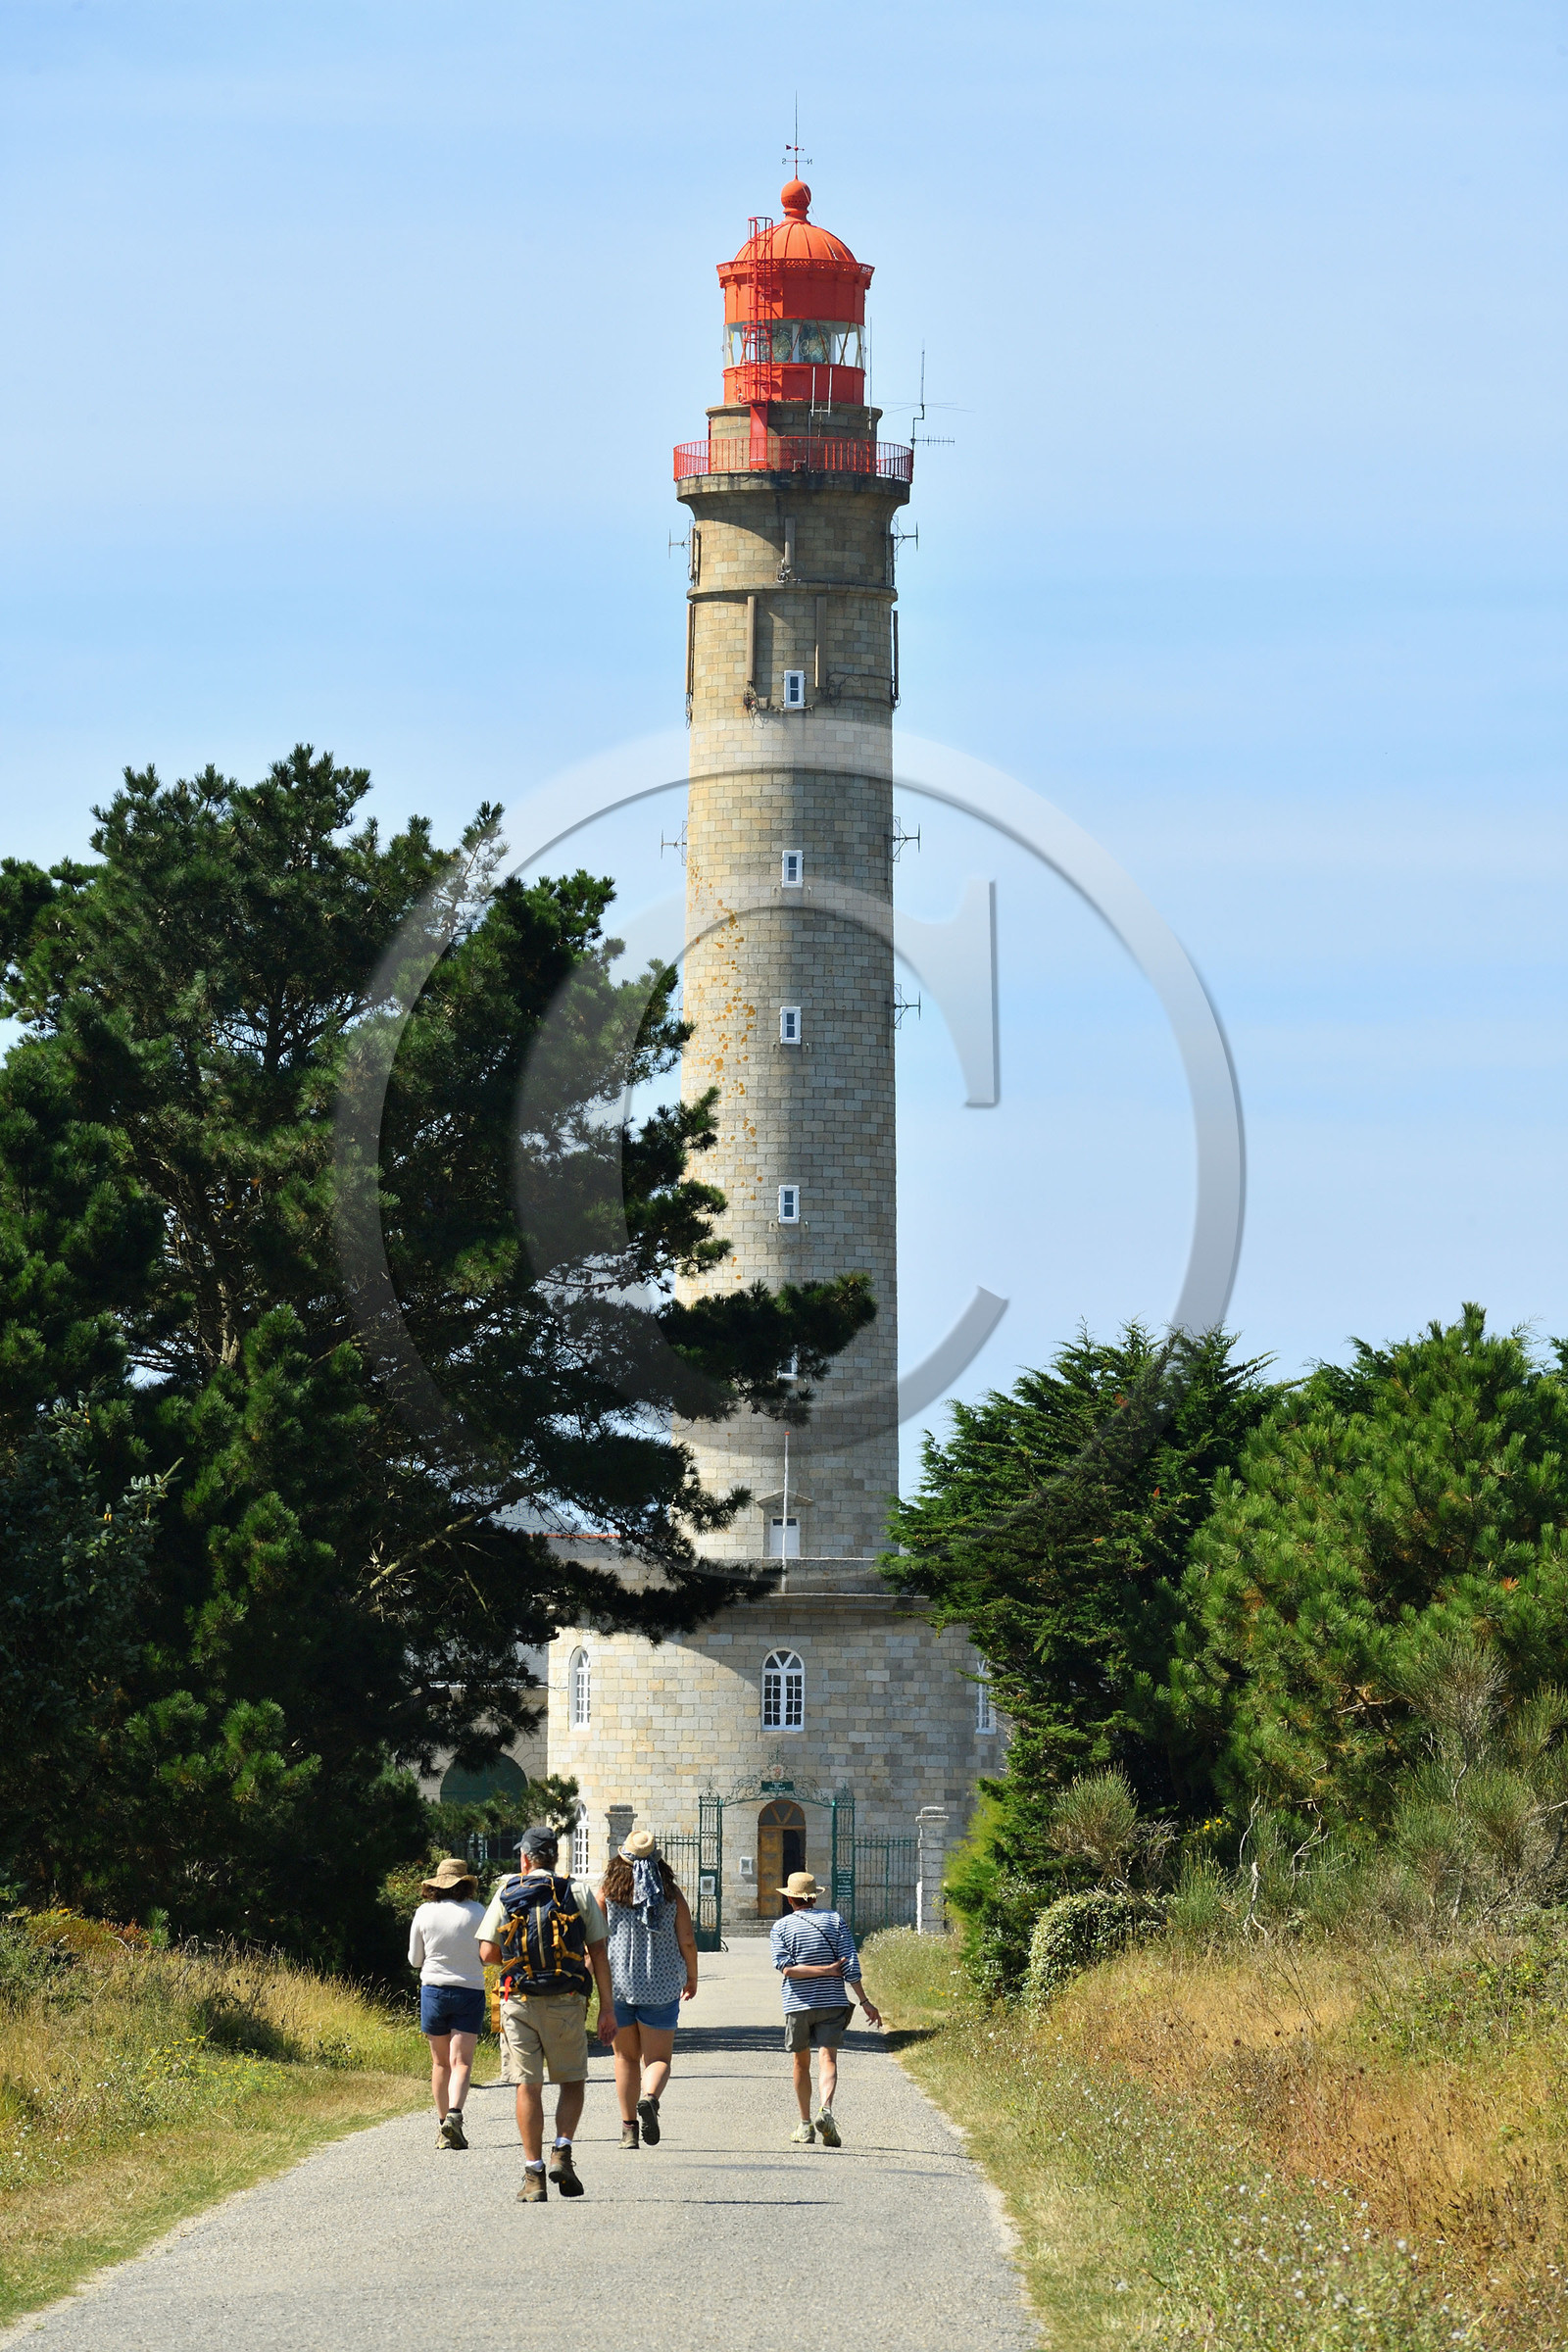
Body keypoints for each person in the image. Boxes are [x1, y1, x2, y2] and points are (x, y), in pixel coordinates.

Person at [476, 1822, 615, 2202]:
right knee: (571, 2081)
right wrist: (607, 2008)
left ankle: (533, 2175)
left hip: (518, 2001)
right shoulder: (577, 1891)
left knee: (528, 2085)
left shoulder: (507, 1892)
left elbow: (487, 1954)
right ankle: (562, 2150)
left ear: (524, 1858)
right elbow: (599, 1953)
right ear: (555, 1857)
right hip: (567, 2001)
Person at [599, 1830, 699, 2149]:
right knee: (658, 2059)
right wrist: (692, 1978)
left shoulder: (607, 1894)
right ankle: (650, 2098)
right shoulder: (671, 1895)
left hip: (619, 1985)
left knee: (625, 2058)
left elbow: (594, 1943)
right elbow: (687, 1940)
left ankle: (628, 2130)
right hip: (662, 1986)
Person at [768, 1868, 881, 2147]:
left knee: (800, 2062)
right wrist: (865, 2002)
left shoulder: (780, 1928)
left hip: (798, 2003)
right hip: (832, 2001)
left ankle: (805, 2125)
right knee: (828, 2060)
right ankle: (826, 2110)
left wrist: (820, 1970)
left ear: (790, 1900)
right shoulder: (835, 1920)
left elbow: (787, 1969)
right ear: (814, 1898)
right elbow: (851, 1966)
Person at [407, 1855, 487, 2150]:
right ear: (465, 1885)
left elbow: (415, 1960)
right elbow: (488, 1955)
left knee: (440, 2063)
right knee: (461, 2061)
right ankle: (455, 2114)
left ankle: (443, 2127)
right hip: (469, 1991)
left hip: (434, 1991)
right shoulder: (478, 1912)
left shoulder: (424, 1913)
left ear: (436, 1886)